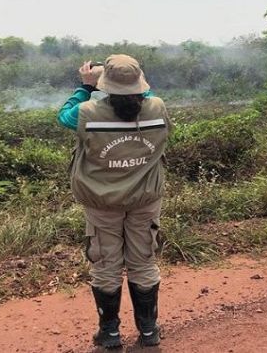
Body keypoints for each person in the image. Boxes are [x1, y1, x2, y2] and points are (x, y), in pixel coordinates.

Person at [57, 54, 172, 348]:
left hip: (101, 202)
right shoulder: (157, 108)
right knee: (143, 261)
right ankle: (148, 332)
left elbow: (63, 116)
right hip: (144, 200)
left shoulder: (86, 112)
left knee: (106, 264)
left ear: (104, 85)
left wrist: (86, 85)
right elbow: (145, 94)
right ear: (140, 84)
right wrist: (126, 81)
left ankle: (109, 333)